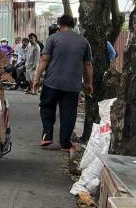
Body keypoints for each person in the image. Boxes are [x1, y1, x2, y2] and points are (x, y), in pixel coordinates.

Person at [32, 14, 93, 152]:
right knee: (69, 113)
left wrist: (36, 78)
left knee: (47, 107)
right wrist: (89, 83)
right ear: (73, 25)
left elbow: (44, 59)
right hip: (72, 85)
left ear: (59, 25)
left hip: (52, 83)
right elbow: (88, 64)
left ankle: (47, 136)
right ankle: (65, 144)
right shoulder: (83, 42)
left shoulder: (52, 38)